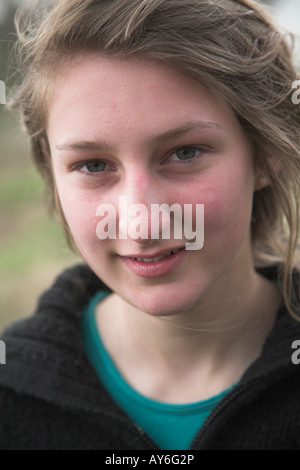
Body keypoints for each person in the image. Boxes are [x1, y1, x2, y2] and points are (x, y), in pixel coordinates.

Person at [0, 0, 300, 450]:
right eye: (94, 164)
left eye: (185, 153)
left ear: (264, 154)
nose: (141, 223)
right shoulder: (12, 396)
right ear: (51, 173)